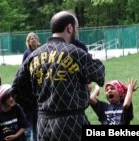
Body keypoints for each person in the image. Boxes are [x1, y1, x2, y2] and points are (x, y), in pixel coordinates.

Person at [11, 10, 105, 141]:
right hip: (71, 124)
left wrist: (35, 105)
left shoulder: (33, 56)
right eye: (76, 28)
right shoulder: (76, 53)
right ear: (70, 28)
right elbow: (100, 75)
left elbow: (16, 89)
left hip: (43, 124)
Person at [21, 32, 40, 141]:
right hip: (29, 88)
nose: (33, 40)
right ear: (28, 42)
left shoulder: (42, 50)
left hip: (39, 86)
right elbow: (23, 71)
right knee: (28, 123)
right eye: (30, 39)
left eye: (34, 38)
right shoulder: (27, 53)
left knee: (37, 123)